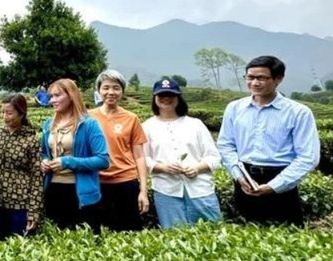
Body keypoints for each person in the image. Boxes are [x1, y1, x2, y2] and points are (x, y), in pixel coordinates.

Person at [217, 55, 320, 225]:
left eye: (262, 78)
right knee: (245, 237)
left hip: (281, 180)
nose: (255, 83)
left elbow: (308, 157)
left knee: (286, 239)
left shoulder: (298, 112)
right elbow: (225, 144)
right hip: (245, 178)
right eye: (250, 77)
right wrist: (238, 176)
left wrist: (275, 186)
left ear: (278, 79)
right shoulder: (234, 108)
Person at [142, 79, 222, 228]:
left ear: (179, 98)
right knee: (174, 236)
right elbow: (143, 159)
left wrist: (197, 168)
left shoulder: (195, 124)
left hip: (200, 189)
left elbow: (214, 156)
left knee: (212, 233)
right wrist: (162, 167)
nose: (166, 98)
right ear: (155, 98)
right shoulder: (146, 127)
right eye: (161, 95)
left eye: (171, 95)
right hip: (166, 191)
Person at [40, 79, 109, 233]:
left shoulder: (89, 124)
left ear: (71, 95)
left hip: (80, 193)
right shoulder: (48, 124)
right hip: (54, 189)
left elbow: (103, 160)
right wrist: (44, 161)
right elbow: (44, 152)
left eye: (57, 95)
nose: (53, 100)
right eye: (51, 97)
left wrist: (68, 162)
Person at [89, 70, 150, 231]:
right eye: (106, 88)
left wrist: (143, 191)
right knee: (96, 236)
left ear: (122, 91)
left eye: (116, 88)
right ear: (98, 90)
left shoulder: (131, 118)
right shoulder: (87, 118)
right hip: (97, 183)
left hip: (126, 183)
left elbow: (139, 156)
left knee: (130, 232)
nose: (111, 92)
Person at [0, 94, 42, 239]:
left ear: (21, 113)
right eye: (2, 112)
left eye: (9, 113)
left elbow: (37, 177)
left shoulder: (30, 140)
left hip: (19, 203)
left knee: (17, 247)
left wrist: (33, 210)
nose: (4, 117)